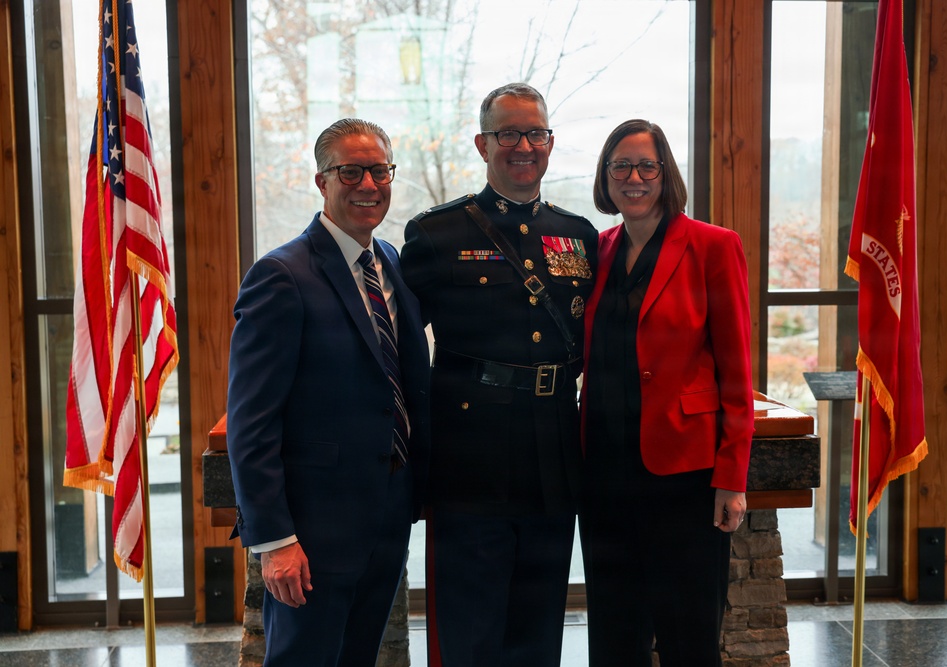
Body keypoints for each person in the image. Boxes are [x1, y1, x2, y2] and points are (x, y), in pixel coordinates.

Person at [400, 82, 598, 667]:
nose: (523, 145)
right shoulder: (437, 235)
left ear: (550, 144)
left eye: (534, 133)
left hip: (554, 452)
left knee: (538, 626)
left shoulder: (577, 235)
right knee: (469, 625)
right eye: (508, 133)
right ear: (483, 144)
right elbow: (405, 354)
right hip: (471, 455)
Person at [226, 118, 430, 667]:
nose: (369, 183)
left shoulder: (388, 261)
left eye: (380, 170)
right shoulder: (281, 276)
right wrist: (274, 540)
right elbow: (251, 423)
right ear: (322, 181)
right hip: (312, 534)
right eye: (351, 171)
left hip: (387, 516)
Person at [579, 119, 754, 667]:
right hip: (604, 473)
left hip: (684, 475)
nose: (633, 177)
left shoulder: (712, 246)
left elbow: (737, 373)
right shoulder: (597, 249)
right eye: (620, 167)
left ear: (665, 173)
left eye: (645, 166)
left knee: (688, 635)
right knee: (614, 631)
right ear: (606, 178)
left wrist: (732, 478)